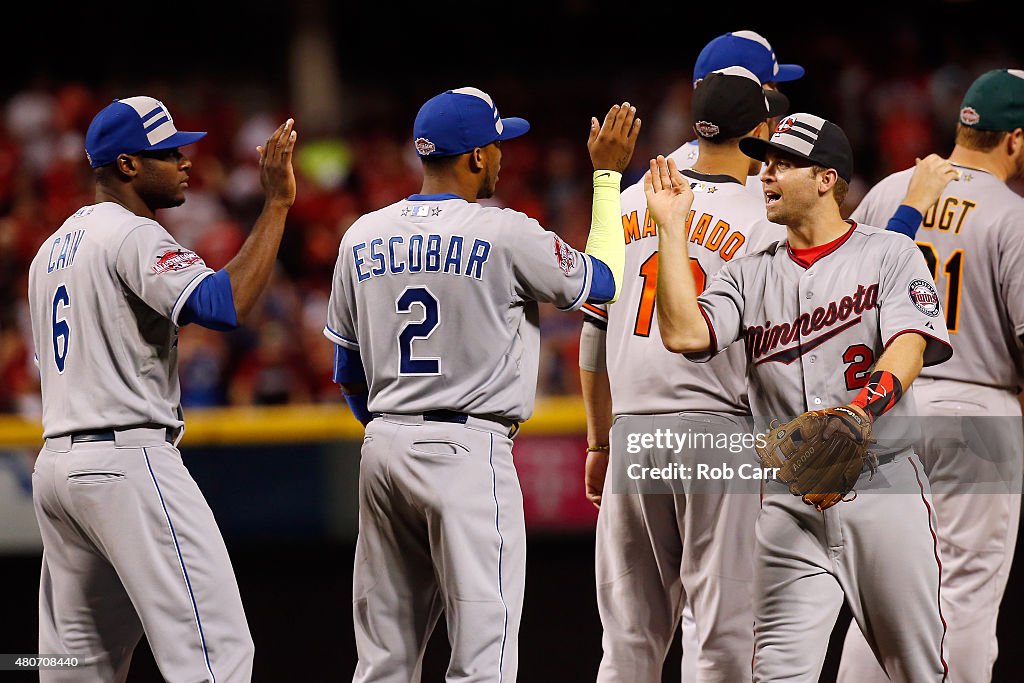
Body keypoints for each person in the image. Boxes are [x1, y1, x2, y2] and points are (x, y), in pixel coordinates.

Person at [323, 86, 639, 682]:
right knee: (483, 661)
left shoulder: (360, 234)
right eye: (497, 145)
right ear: (474, 157)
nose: (502, 156)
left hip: (383, 448)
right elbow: (602, 283)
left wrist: (397, 430)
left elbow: (347, 372)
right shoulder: (504, 231)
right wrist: (605, 180)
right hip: (467, 450)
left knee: (384, 660)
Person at [650, 114, 954, 681]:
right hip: (791, 500)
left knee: (917, 668)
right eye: (764, 163)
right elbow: (685, 334)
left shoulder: (889, 253)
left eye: (782, 164)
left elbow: (909, 344)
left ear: (825, 179)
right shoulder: (746, 274)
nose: (765, 174)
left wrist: (860, 413)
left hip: (881, 485)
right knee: (777, 674)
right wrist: (671, 230)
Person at [27, 96, 297, 681]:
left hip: (57, 471)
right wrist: (276, 204)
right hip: (127, 462)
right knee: (216, 657)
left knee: (73, 666)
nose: (185, 161)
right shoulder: (132, 234)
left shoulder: (50, 250)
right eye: (167, 151)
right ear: (126, 165)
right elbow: (223, 306)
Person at [579, 67, 787, 682]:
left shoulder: (625, 201)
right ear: (762, 132)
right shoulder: (763, 215)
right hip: (717, 431)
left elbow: (593, 329)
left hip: (632, 434)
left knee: (627, 644)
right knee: (724, 643)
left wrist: (597, 439)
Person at [837, 68, 1024, 683]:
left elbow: (844, 304)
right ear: (1015, 141)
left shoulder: (892, 193)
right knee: (965, 595)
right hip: (979, 412)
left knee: (882, 594)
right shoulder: (1011, 215)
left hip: (891, 402)